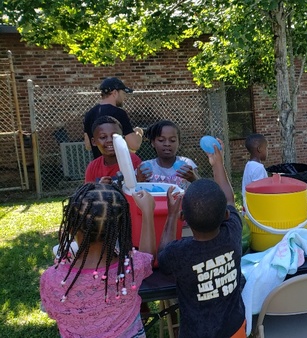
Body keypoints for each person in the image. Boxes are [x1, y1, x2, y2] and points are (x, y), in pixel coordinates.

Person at [40, 183, 156, 337]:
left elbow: (52, 313)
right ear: (122, 228)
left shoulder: (52, 278)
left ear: (70, 228)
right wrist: (147, 212)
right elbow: (149, 256)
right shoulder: (131, 268)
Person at [158, 138, 246, 338]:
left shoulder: (180, 253)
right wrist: (218, 164)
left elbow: (162, 256)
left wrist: (171, 216)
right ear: (225, 215)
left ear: (185, 219)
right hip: (235, 329)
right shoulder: (232, 232)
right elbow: (230, 200)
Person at [83, 77, 144, 158]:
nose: (124, 98)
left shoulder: (89, 114)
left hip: (100, 166)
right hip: (118, 166)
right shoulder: (119, 113)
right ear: (115, 93)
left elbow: (88, 145)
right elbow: (134, 145)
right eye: (123, 93)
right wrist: (139, 133)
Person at [138, 119, 199, 190]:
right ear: (153, 143)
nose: (167, 144)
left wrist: (193, 178)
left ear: (179, 143)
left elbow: (203, 188)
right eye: (161, 140)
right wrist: (139, 181)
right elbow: (134, 192)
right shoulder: (145, 168)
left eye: (172, 140)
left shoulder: (187, 164)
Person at [85, 116, 143, 184]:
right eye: (103, 137)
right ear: (94, 142)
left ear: (122, 138)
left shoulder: (132, 160)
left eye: (114, 136)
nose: (110, 140)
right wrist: (100, 187)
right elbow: (88, 193)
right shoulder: (93, 167)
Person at [241, 133, 268, 203]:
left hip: (247, 205)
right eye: (265, 148)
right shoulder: (258, 168)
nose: (267, 151)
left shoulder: (249, 165)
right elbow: (258, 192)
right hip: (255, 208)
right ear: (259, 149)